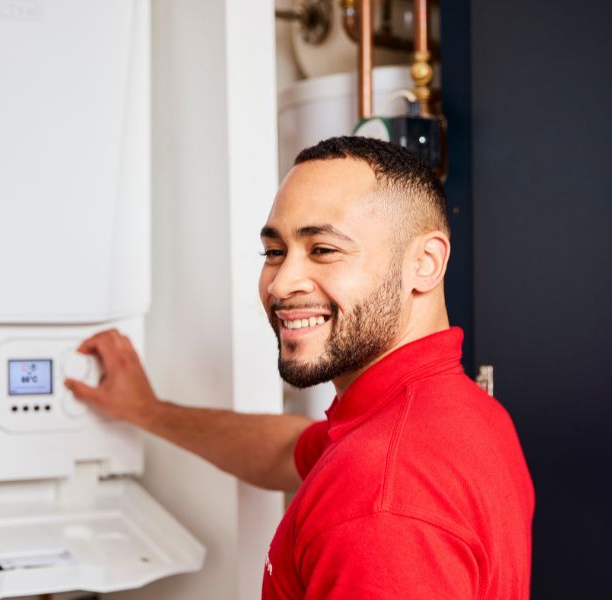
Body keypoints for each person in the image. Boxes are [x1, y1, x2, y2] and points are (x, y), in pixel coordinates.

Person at [64, 136, 534, 599]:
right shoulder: (461, 413)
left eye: (323, 250)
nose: (281, 283)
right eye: (274, 252)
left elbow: (367, 492)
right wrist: (146, 411)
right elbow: (287, 450)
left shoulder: (380, 497)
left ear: (425, 264)